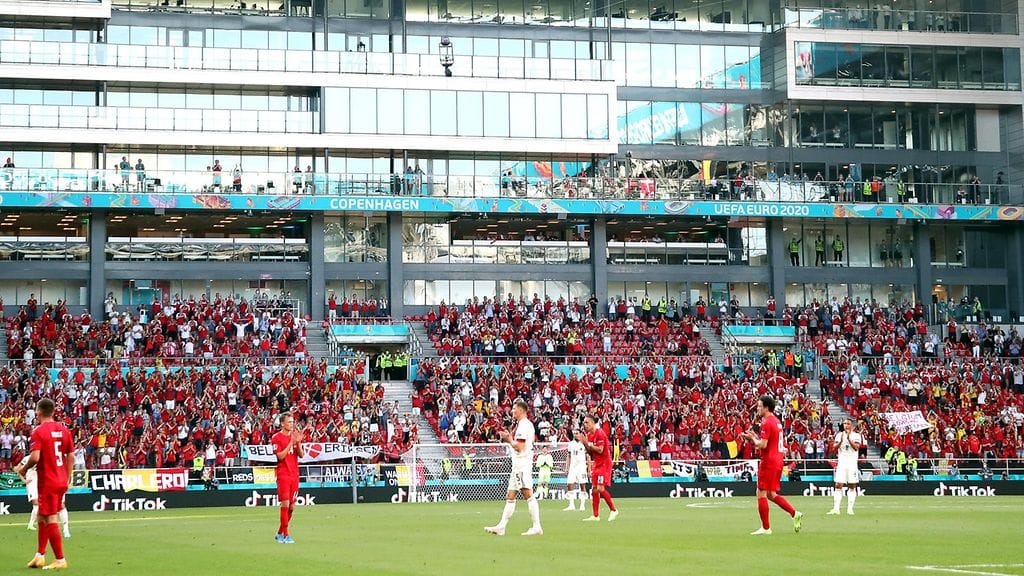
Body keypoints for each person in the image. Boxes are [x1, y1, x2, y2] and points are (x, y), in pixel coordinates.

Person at [15, 398, 73, 570]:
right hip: (61, 478)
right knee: (42, 514)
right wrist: (68, 477)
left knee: (50, 517)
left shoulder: (38, 431)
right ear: (53, 412)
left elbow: (35, 457)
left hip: (48, 480)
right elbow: (71, 456)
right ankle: (39, 556)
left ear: (38, 412)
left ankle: (60, 559)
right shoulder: (64, 430)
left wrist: (24, 470)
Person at [742, 395, 803, 535]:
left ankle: (766, 528)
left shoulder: (767, 422)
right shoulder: (777, 421)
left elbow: (762, 445)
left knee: (761, 492)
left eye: (759, 406)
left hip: (769, 461)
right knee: (771, 494)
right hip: (778, 461)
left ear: (766, 407)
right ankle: (795, 513)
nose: (757, 408)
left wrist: (752, 438)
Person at [485, 399, 543, 536]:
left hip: (521, 464)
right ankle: (501, 526)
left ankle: (537, 526)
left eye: (514, 408)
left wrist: (508, 439)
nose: (512, 411)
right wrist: (510, 437)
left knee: (528, 494)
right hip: (518, 465)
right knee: (510, 496)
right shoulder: (524, 425)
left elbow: (519, 447)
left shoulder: (524, 426)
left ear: (521, 410)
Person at [18, 454, 72, 537]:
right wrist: (24, 480)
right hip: (33, 482)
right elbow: (19, 469)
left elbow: (66, 467)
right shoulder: (29, 458)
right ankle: (32, 524)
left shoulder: (53, 456)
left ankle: (66, 529)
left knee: (61, 505)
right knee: (36, 503)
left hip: (51, 481)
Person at [578, 415, 618, 522]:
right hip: (597, 463)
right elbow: (590, 452)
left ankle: (613, 510)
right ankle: (595, 516)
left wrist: (587, 444)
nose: (585, 425)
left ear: (592, 423)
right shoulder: (589, 435)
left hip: (604, 464)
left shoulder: (600, 433)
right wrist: (584, 443)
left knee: (600, 488)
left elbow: (600, 450)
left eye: (587, 423)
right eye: (584, 423)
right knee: (594, 490)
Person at [272, 414, 305, 544]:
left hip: (294, 474)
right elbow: (280, 456)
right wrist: (291, 442)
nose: (291, 424)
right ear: (282, 423)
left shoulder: (294, 435)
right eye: (289, 422)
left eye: (292, 422)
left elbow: (301, 455)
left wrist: (299, 442)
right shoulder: (276, 438)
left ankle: (280, 532)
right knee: (285, 504)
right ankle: (286, 535)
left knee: (291, 507)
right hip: (283, 474)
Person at [827, 419, 863, 515]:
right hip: (842, 463)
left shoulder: (856, 436)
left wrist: (848, 439)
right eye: (844, 423)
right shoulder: (839, 435)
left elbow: (856, 448)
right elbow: (834, 447)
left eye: (848, 424)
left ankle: (850, 509)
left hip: (852, 463)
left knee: (852, 485)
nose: (845, 425)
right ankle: (836, 509)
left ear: (852, 426)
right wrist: (841, 441)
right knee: (838, 485)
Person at [563, 433, 589, 512]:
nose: (576, 435)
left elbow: (588, 456)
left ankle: (582, 505)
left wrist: (589, 469)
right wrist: (566, 467)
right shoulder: (571, 444)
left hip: (582, 468)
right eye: (574, 434)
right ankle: (571, 505)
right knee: (570, 484)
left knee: (582, 485)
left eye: (577, 434)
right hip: (573, 468)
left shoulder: (584, 444)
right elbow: (569, 456)